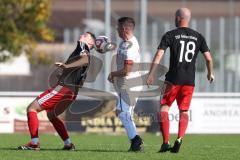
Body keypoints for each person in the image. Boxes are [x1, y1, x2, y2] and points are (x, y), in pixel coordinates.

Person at [147, 8, 214, 153]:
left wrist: (151, 73)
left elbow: (159, 55)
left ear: (178, 18)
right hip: (189, 81)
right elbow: (208, 58)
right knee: (184, 110)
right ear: (188, 18)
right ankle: (180, 138)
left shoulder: (170, 35)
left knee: (164, 108)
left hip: (172, 79)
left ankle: (165, 142)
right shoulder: (198, 36)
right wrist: (210, 73)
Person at [18, 32, 96, 151]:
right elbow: (80, 79)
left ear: (90, 43)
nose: (82, 35)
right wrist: (64, 74)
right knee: (51, 115)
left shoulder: (82, 46)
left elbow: (84, 59)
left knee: (32, 108)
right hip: (72, 93)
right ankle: (68, 144)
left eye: (86, 35)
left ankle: (34, 144)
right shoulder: (83, 50)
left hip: (63, 89)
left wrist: (66, 66)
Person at [108, 17, 143, 152]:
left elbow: (127, 70)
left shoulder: (131, 46)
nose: (116, 29)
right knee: (123, 112)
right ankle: (135, 142)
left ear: (124, 29)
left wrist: (113, 74)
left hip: (130, 84)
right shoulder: (124, 43)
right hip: (128, 83)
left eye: (118, 27)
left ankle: (136, 140)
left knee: (122, 113)